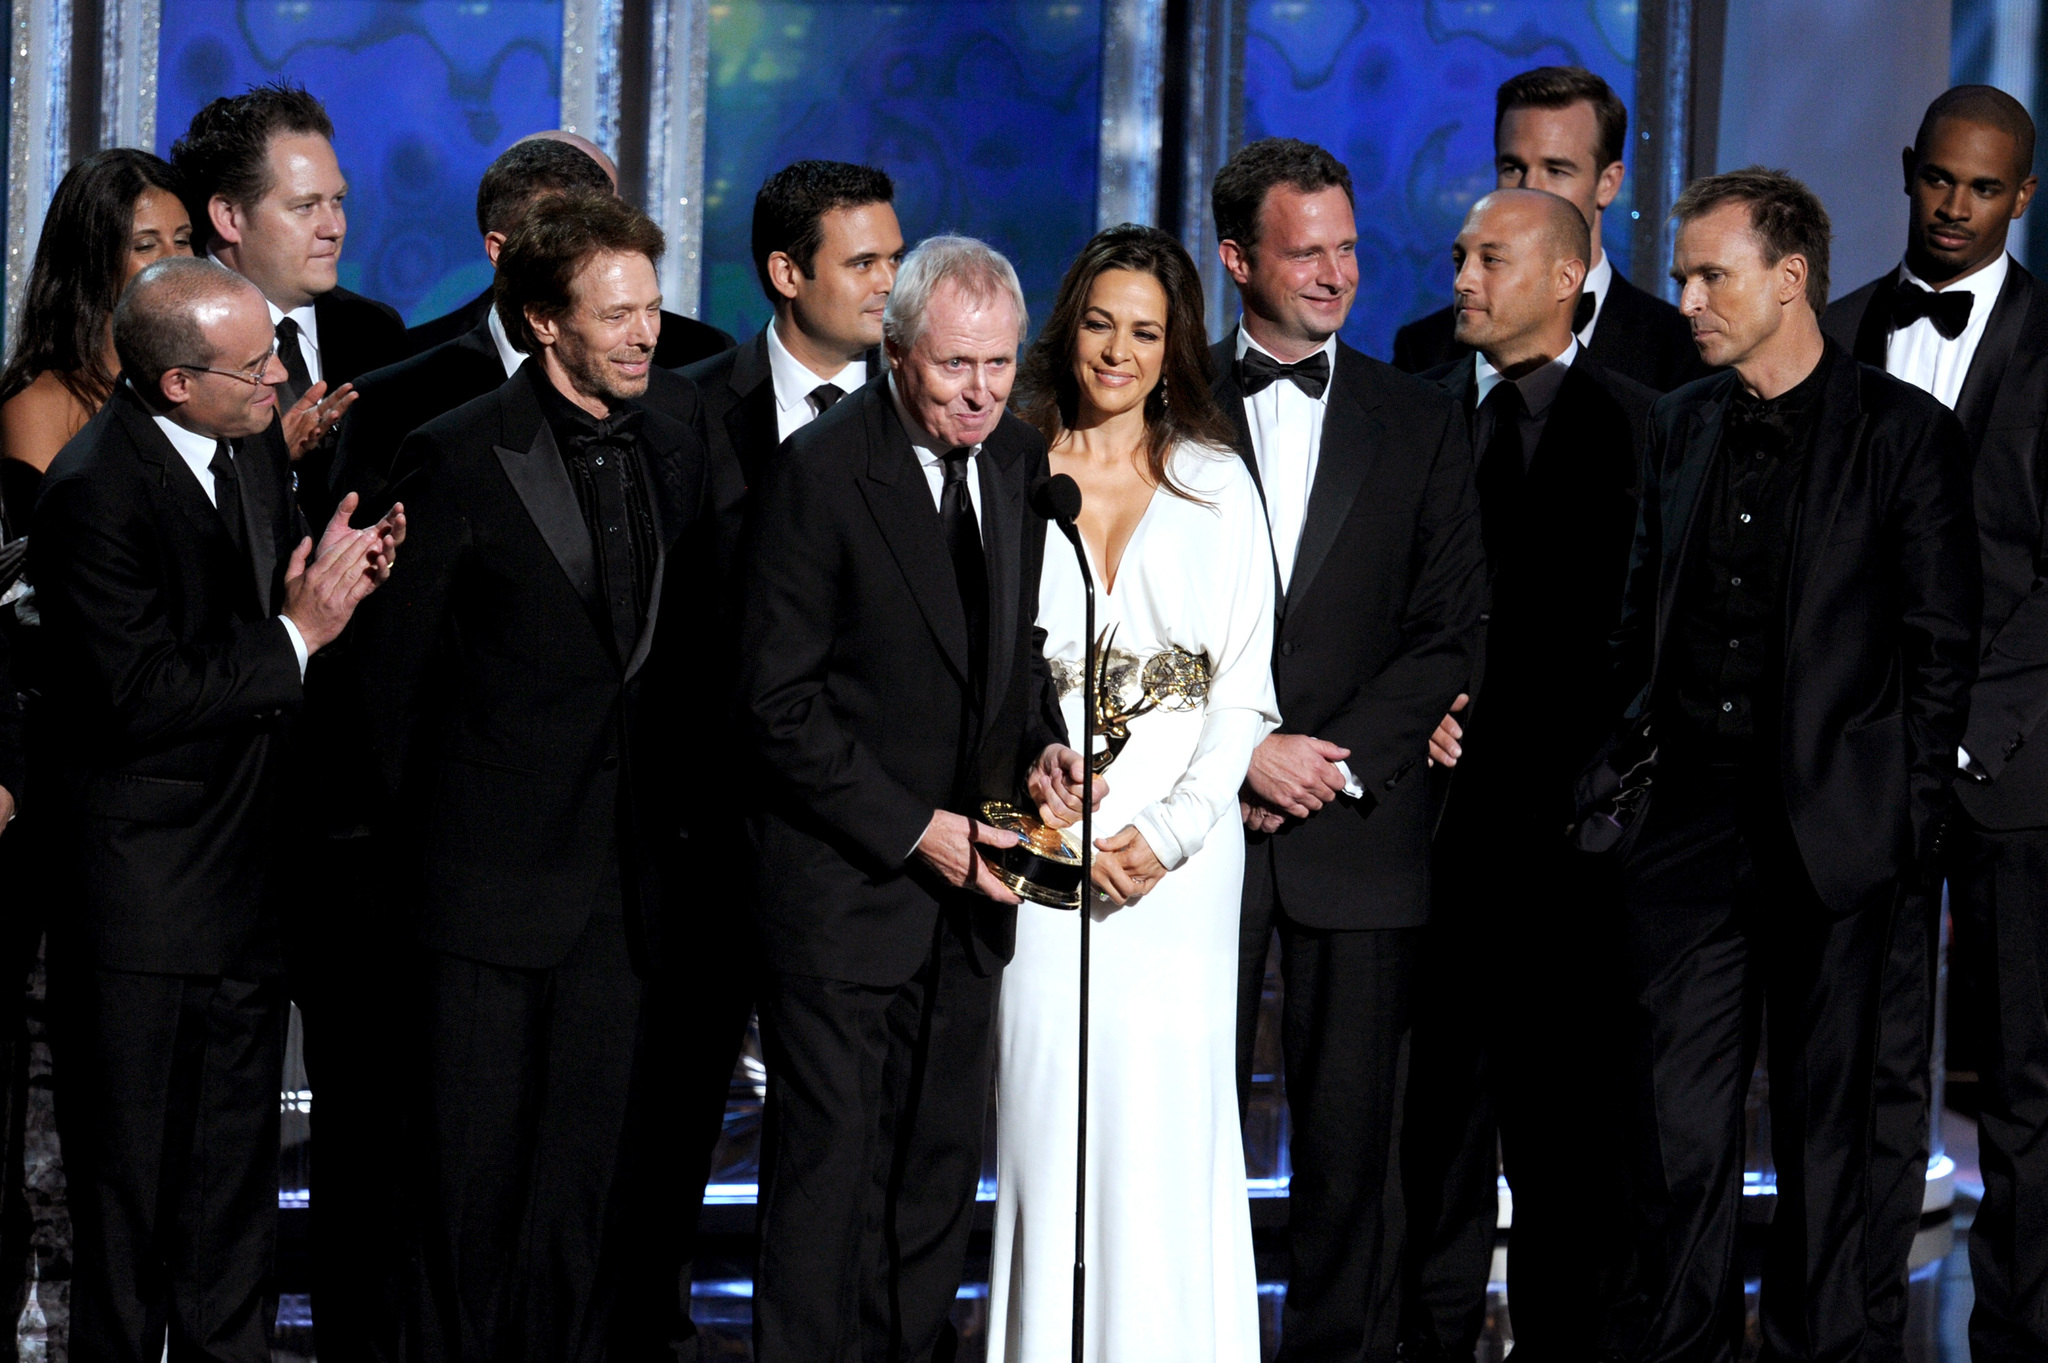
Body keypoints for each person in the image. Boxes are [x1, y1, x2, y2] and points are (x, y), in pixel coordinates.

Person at [1608, 168, 1978, 1363]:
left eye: (1710, 274)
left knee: (1829, 1145)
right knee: (1678, 1142)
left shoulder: (1902, 435)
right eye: (1680, 275)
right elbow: (1634, 626)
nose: (1688, 297)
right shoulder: (1677, 424)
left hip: (1836, 842)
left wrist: (1902, 828)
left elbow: (1938, 656)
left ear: (1788, 280)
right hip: (1683, 838)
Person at [351, 192, 719, 1363]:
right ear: (542, 322)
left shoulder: (680, 433)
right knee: (462, 1203)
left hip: (626, 895)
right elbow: (386, 700)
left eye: (651, 309)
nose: (643, 334)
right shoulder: (452, 451)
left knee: (582, 1196)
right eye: (615, 315)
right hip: (477, 900)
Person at [30, 256, 396, 1363]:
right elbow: (137, 696)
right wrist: (296, 634)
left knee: (231, 1205)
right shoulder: (93, 491)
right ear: (177, 383)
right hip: (142, 917)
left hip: (246, 899)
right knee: (131, 1205)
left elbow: (263, 618)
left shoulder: (241, 457)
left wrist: (325, 582)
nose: (281, 378)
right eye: (255, 367)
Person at [738, 234, 1089, 1363]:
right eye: (953, 367)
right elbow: (777, 704)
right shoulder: (821, 473)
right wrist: (915, 829)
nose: (980, 390)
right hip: (846, 892)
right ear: (897, 354)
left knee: (935, 1174)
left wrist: (1042, 746)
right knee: (827, 1176)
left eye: (998, 364)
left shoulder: (1020, 462)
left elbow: (1012, 659)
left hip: (972, 897)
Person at [619, 157, 904, 1360]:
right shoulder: (683, 413)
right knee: (663, 1129)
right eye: (865, 264)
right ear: (787, 274)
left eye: (897, 258)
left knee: (845, 1142)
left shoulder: (929, 414)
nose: (891, 286)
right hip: (698, 849)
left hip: (858, 855)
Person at [1211, 138, 1486, 1361]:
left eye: (1347, 248)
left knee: (1349, 1149)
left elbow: (1448, 629)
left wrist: (1322, 762)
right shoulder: (1158, 403)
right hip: (1194, 823)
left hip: (1359, 828)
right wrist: (1240, 755)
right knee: (1185, 1128)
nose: (1333, 273)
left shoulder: (1419, 417)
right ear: (1235, 260)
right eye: (1303, 249)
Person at [987, 223, 1275, 1361]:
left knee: (1162, 1148)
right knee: (1045, 1140)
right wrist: (1039, 824)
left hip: (1180, 878)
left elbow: (1244, 695)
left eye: (1146, 331)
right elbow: (974, 678)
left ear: (1176, 348)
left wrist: (1165, 834)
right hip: (1040, 855)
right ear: (1068, 327)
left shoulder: (1215, 485)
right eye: (1100, 322)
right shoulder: (1007, 470)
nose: (1118, 350)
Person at [1400, 189, 1654, 1363]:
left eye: (1488, 258)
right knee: (1428, 1146)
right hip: (1426, 849)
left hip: (1573, 858)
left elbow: (1649, 639)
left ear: (1565, 277)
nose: (1460, 276)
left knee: (1566, 1158)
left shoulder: (1646, 430)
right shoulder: (1409, 417)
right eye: (1458, 255)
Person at [1822, 86, 2048, 1363]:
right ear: (1907, 172)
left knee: (2024, 1082)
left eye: (1982, 189)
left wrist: (1968, 729)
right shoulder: (1844, 332)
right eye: (1936, 181)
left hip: (2017, 768)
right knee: (1866, 1069)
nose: (1953, 208)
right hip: (1869, 771)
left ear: (2020, 196)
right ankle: (1846, 1327)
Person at [332, 136, 712, 512]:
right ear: (500, 251)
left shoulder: (679, 396)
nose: (595, 254)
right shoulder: (395, 402)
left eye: (605, 229)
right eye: (563, 237)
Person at [170, 81, 407, 519]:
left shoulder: (377, 332)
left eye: (337, 201)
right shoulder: (168, 338)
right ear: (229, 217)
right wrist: (273, 457)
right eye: (305, 206)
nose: (334, 227)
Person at [1392, 66, 1702, 393]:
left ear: (1608, 184)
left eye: (1556, 170)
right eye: (1513, 168)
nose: (1529, 188)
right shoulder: (1424, 348)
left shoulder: (1682, 351)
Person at [402, 130, 735, 367]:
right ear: (500, 252)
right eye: (564, 231)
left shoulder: (699, 358)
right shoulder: (410, 366)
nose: (597, 244)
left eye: (608, 221)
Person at [0, 149, 193, 512]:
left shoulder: (204, 383)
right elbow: (44, 553)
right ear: (89, 259)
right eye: (146, 245)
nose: (175, 261)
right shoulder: (39, 406)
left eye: (182, 240)